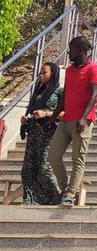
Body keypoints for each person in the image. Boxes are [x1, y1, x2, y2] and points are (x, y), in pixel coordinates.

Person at [47, 37, 97, 207]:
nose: (69, 52)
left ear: (80, 50)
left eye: (71, 49)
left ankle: (71, 194)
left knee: (78, 158)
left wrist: (84, 118)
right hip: (66, 120)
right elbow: (65, 96)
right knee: (53, 154)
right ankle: (64, 189)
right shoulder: (70, 70)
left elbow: (93, 96)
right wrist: (53, 116)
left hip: (82, 121)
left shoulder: (94, 69)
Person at [19, 62, 63, 205]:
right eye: (40, 73)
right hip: (33, 134)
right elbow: (31, 110)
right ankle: (33, 199)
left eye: (44, 72)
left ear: (53, 73)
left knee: (44, 167)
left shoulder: (59, 92)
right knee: (28, 168)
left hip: (47, 134)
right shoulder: (38, 92)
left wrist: (46, 113)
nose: (41, 75)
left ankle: (57, 197)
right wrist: (26, 118)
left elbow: (65, 113)